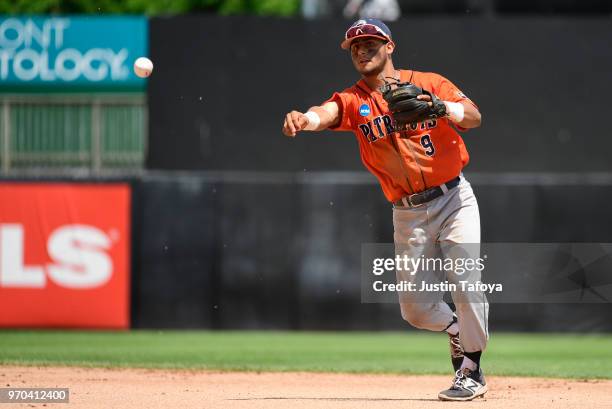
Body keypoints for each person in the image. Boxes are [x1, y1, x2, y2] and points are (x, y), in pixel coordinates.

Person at [282, 18, 489, 401]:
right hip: (407, 212)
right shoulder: (354, 100)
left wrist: (439, 106)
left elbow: (474, 116)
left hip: (454, 198)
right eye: (355, 46)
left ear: (389, 46)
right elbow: (325, 112)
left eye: (370, 42)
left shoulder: (428, 82)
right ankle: (458, 328)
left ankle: (472, 371)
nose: (362, 49)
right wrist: (305, 120)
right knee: (414, 309)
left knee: (465, 278)